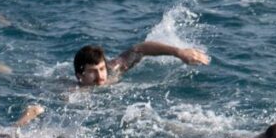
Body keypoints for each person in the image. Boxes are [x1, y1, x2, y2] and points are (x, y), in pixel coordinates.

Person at [72, 38, 210, 88]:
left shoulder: (114, 69)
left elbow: (140, 48)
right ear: (79, 76)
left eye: (101, 69)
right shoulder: (72, 93)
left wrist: (179, 52)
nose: (100, 75)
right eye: (92, 71)